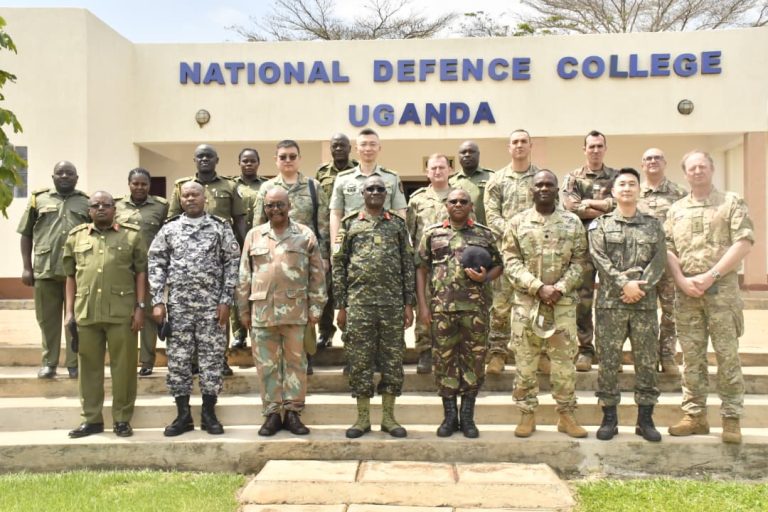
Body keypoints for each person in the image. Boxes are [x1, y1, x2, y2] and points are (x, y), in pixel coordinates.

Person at [665, 150, 754, 444]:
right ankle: (695, 415)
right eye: (692, 168)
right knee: (691, 358)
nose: (698, 171)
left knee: (727, 356)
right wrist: (680, 280)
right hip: (687, 294)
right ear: (685, 173)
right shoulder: (676, 209)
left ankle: (730, 418)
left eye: (703, 166)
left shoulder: (731, 202)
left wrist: (711, 275)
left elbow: (743, 242)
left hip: (722, 293)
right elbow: (668, 249)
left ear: (712, 170)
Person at [148, 181, 240, 437]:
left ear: (205, 198)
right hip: (179, 307)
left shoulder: (220, 227)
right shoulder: (170, 229)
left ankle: (209, 413)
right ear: (180, 199)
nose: (190, 199)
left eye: (195, 195)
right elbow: (156, 263)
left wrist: (226, 300)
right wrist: (158, 300)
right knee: (178, 361)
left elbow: (232, 264)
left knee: (212, 360)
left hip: (212, 307)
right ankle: (183, 415)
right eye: (186, 195)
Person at [503, 170, 588, 439]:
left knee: (564, 364)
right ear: (531, 190)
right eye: (538, 184)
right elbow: (510, 261)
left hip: (561, 305)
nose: (543, 188)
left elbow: (579, 261)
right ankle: (527, 415)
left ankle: (566, 415)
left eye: (549, 184)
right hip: (526, 305)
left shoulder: (572, 222)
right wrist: (537, 287)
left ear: (556, 190)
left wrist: (559, 288)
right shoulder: (517, 223)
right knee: (525, 363)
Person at [237, 188, 327, 436]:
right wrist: (243, 310)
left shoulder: (304, 235)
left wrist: (316, 306)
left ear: (289, 206)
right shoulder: (254, 236)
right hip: (262, 313)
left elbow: (317, 275)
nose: (275, 209)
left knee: (296, 364)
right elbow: (245, 275)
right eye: (269, 206)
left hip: (296, 312)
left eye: (279, 205)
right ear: (264, 208)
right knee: (266, 365)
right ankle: (273, 413)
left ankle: (294, 413)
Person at [332, 175, 415, 439]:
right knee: (360, 361)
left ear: (387, 194)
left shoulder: (398, 226)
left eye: (381, 189)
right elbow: (339, 266)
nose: (376, 192)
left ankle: (389, 418)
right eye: (371, 189)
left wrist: (408, 303)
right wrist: (341, 306)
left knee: (392, 360)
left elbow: (407, 265)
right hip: (359, 304)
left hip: (391, 304)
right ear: (363, 194)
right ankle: (363, 418)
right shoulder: (350, 224)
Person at [589, 168, 666, 442]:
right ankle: (609, 418)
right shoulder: (601, 225)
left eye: (632, 184)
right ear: (613, 191)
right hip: (612, 305)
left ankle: (645, 419)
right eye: (621, 184)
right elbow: (599, 258)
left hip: (644, 305)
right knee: (609, 363)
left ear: (639, 190)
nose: (627, 188)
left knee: (646, 362)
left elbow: (659, 260)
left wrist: (639, 287)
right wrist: (624, 284)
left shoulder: (653, 225)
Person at [417, 188, 501, 438]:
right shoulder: (432, 234)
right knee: (443, 362)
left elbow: (499, 265)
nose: (458, 205)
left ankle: (467, 417)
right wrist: (423, 305)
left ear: (470, 206)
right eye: (453, 201)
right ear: (446, 205)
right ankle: (449, 416)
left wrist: (486, 277)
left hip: (475, 310)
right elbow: (421, 269)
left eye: (463, 201)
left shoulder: (484, 234)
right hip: (442, 310)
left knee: (473, 362)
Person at [63, 191, 146, 438]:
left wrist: (140, 307)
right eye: (96, 205)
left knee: (125, 369)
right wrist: (68, 312)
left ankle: (121, 419)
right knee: (89, 369)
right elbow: (69, 276)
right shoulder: (76, 237)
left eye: (106, 205)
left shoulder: (131, 235)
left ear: (114, 209)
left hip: (122, 313)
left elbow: (141, 273)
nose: (101, 208)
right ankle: (91, 419)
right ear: (89, 210)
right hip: (86, 311)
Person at [167, 144, 246, 376]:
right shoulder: (181, 186)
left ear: (217, 159)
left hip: (219, 257)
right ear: (194, 159)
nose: (204, 160)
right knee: (188, 312)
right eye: (200, 156)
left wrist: (242, 252)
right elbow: (171, 219)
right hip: (188, 257)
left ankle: (219, 359)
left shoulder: (230, 186)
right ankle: (193, 360)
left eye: (208, 156)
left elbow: (239, 220)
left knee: (221, 310)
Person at [254, 140, 330, 373]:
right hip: (273, 256)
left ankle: (305, 354)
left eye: (292, 156)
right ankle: (277, 356)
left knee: (305, 302)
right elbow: (258, 223)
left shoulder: (312, 187)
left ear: (299, 159)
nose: (288, 160)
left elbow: (323, 224)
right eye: (283, 157)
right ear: (276, 160)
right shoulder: (267, 188)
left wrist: (325, 256)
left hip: (304, 256)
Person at [17, 161, 90, 379]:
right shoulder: (38, 200)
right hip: (45, 270)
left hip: (76, 272)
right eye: (60, 173)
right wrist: (26, 267)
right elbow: (26, 234)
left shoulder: (86, 202)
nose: (65, 176)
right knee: (47, 320)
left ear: (76, 178)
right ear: (53, 177)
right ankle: (49, 362)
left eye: (70, 173)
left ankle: (73, 363)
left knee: (75, 320)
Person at [483, 129, 541, 374]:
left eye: (523, 142)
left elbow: (549, 208)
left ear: (530, 146)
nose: (519, 145)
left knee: (536, 302)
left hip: (535, 253)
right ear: (509, 147)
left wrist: (529, 236)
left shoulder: (540, 177)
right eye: (515, 142)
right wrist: (513, 233)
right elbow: (491, 214)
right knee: (501, 304)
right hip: (505, 252)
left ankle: (540, 352)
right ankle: (497, 352)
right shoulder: (497, 179)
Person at [562, 130, 618, 372]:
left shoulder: (617, 177)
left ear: (605, 149)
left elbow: (620, 203)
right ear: (584, 149)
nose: (595, 150)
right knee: (583, 300)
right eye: (591, 146)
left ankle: (609, 350)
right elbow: (570, 206)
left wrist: (590, 204)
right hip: (582, 246)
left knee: (610, 299)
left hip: (610, 247)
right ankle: (585, 349)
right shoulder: (573, 177)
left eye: (599, 146)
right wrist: (605, 207)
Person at [637, 148, 687, 375]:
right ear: (642, 165)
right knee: (643, 313)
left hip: (668, 262)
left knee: (670, 310)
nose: (653, 161)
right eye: (648, 158)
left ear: (665, 162)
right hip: (641, 265)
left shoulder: (679, 194)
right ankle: (646, 356)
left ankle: (667, 355)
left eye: (657, 157)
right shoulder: (634, 193)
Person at [115, 168, 169, 376]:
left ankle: (147, 361)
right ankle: (125, 359)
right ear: (129, 184)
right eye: (135, 184)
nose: (139, 187)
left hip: (149, 270)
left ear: (149, 185)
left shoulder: (160, 206)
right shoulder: (117, 206)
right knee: (124, 314)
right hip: (123, 268)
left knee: (148, 314)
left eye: (143, 184)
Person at [407, 154, 453, 374]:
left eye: (441, 167)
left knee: (451, 308)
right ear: (427, 172)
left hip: (452, 264)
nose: (437, 171)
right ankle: (425, 350)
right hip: (425, 263)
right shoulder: (417, 200)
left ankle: (448, 350)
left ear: (449, 170)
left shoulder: (458, 196)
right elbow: (410, 233)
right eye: (433, 168)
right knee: (423, 306)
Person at [314, 133, 357, 350]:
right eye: (334, 146)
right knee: (327, 288)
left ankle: (351, 334)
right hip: (328, 236)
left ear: (350, 147)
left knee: (352, 285)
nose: (338, 149)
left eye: (342, 145)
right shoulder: (322, 174)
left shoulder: (358, 170)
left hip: (354, 237)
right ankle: (325, 332)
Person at [329, 128, 407, 243]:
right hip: (352, 243)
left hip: (386, 243)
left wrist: (403, 244)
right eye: (363, 144)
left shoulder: (392, 178)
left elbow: (400, 212)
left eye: (372, 144)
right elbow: (336, 214)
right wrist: (335, 245)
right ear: (356, 149)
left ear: (379, 148)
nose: (368, 148)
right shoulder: (343, 179)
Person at [230, 148, 268, 350]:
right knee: (239, 289)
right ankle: (238, 334)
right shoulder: (231, 186)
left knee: (259, 288)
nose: (249, 164)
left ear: (258, 163)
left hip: (262, 245)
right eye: (245, 161)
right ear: (239, 162)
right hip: (236, 245)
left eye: (252, 161)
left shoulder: (266, 185)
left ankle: (257, 330)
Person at [449, 140, 494, 225]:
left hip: (486, 232)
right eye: (463, 152)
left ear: (478, 154)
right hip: (460, 233)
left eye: (471, 152)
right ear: (458, 156)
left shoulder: (492, 177)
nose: (467, 155)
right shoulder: (451, 182)